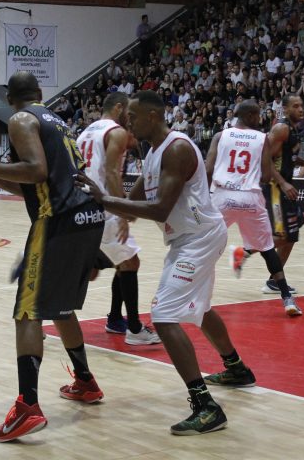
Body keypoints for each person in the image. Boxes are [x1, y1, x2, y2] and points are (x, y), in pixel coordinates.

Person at [77, 91, 256, 436]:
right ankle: (236, 368)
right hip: (186, 239)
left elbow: (158, 209)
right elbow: (131, 203)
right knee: (200, 308)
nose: (128, 121)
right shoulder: (152, 153)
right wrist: (104, 213)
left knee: (163, 315)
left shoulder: (176, 149)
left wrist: (104, 199)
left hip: (199, 238)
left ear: (153, 116)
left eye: (133, 116)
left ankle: (205, 406)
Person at [0, 72, 105, 443]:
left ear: (9, 98)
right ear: (39, 92)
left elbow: (36, 170)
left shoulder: (21, 120)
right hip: (88, 217)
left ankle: (27, 406)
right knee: (61, 308)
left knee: (28, 311)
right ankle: (85, 381)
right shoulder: (58, 121)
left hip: (58, 220)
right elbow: (38, 185)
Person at [76, 92, 160, 345]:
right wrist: (123, 211)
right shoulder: (116, 132)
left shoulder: (84, 133)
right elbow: (113, 173)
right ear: (119, 108)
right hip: (103, 206)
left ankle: (115, 319)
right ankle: (134, 329)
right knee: (130, 263)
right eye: (129, 113)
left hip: (82, 204)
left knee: (112, 265)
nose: (131, 118)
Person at [205, 100, 302, 317]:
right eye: (258, 115)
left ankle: (194, 293)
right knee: (267, 248)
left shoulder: (220, 136)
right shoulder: (261, 138)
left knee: (202, 244)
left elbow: (208, 169)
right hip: (250, 197)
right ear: (250, 116)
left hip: (222, 197)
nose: (260, 119)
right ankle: (287, 299)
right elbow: (266, 176)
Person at [263, 95, 304, 295]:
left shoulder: (294, 129)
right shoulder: (281, 128)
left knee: (292, 235)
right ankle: (245, 251)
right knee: (283, 235)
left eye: (302, 106)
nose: (301, 109)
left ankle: (274, 280)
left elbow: (291, 157)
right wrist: (282, 182)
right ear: (286, 109)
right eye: (295, 106)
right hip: (274, 187)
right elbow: (265, 159)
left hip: (285, 188)